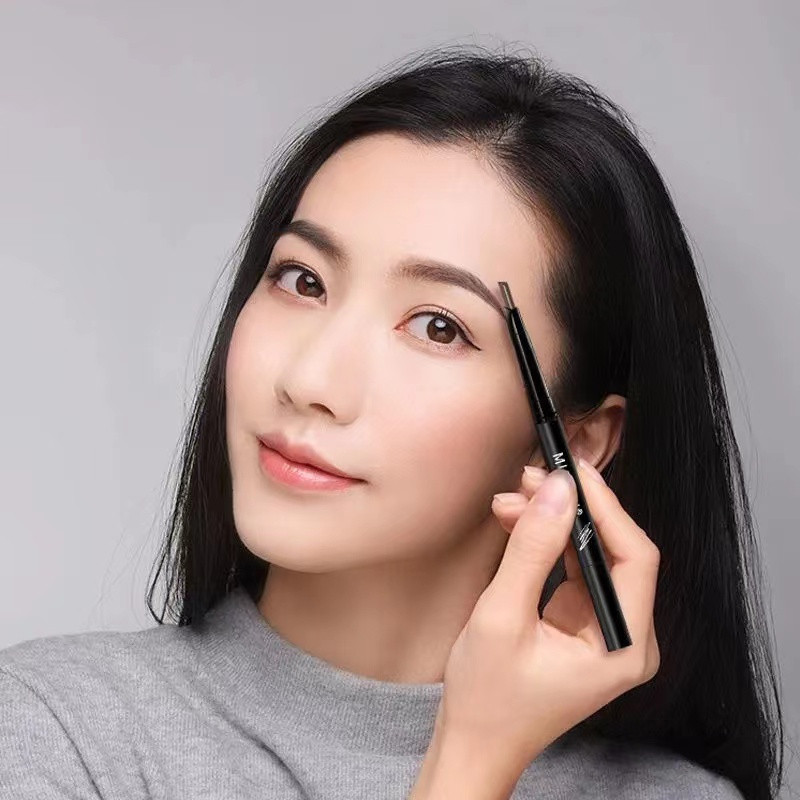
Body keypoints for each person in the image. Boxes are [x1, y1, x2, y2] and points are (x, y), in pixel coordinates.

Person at [0, 45, 784, 800]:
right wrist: (470, 763)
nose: (310, 380)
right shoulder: (51, 735)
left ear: (574, 442)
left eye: (438, 327)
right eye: (302, 280)